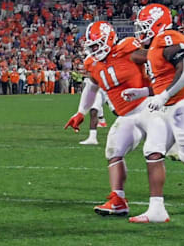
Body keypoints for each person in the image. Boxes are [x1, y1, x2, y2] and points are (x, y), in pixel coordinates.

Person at [121, 3, 184, 223]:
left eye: (145, 25)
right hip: (167, 105)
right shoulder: (155, 47)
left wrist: (163, 96)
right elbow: (163, 82)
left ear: (158, 24)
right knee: (153, 151)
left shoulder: (169, 38)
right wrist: (142, 92)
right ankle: (157, 210)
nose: (141, 30)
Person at [65, 22, 168, 220]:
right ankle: (118, 200)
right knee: (114, 151)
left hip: (149, 107)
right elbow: (92, 87)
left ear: (109, 39)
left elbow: (154, 57)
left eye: (97, 45)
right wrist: (80, 113)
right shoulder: (92, 64)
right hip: (126, 116)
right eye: (91, 46)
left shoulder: (126, 49)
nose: (94, 50)